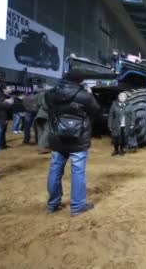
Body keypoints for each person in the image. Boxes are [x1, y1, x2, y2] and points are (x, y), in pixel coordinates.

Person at [45, 69, 100, 216]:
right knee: (78, 171)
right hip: (78, 138)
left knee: (55, 169)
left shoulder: (50, 94)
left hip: (57, 137)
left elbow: (48, 110)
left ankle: (52, 204)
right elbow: (96, 110)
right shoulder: (85, 97)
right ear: (81, 81)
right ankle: (77, 206)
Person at [108, 92, 135, 156]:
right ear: (118, 97)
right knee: (115, 138)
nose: (122, 98)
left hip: (125, 125)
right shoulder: (114, 104)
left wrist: (132, 124)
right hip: (116, 125)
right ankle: (116, 150)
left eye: (123, 97)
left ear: (126, 98)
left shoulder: (129, 105)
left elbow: (133, 115)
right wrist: (110, 125)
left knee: (123, 139)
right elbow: (111, 116)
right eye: (121, 97)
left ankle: (121, 150)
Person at [35, 89, 51, 154]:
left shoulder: (37, 95)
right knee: (47, 130)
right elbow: (46, 105)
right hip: (45, 115)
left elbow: (38, 105)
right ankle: (43, 147)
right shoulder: (46, 95)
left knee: (40, 130)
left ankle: (40, 147)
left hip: (39, 114)